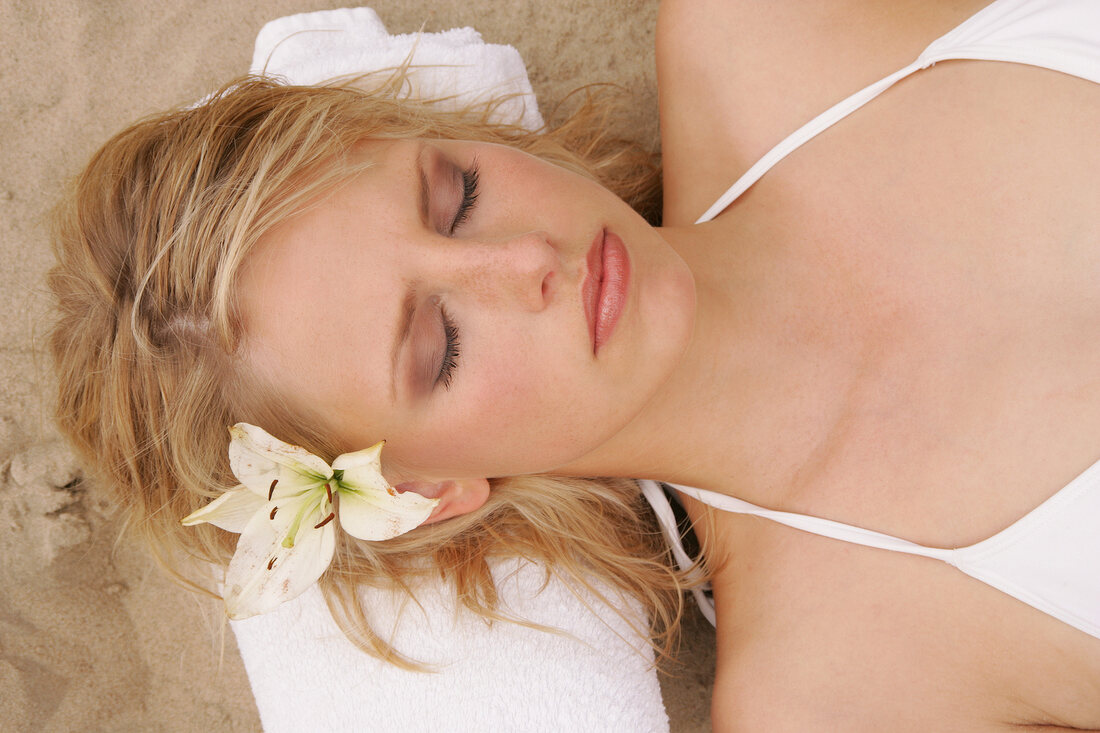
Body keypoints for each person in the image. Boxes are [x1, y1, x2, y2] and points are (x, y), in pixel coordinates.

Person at [48, 0, 1100, 729]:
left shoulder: (762, 30)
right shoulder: (846, 702)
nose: (524, 261)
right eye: (439, 345)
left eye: (454, 194)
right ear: (420, 492)